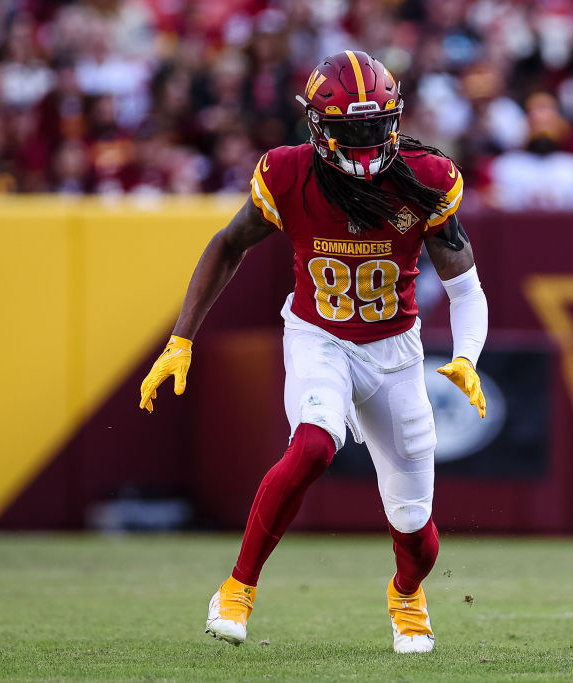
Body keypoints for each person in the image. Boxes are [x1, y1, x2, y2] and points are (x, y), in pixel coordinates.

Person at [137, 51, 488, 654]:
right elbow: (227, 246)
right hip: (318, 334)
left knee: (414, 525)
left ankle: (406, 593)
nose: (366, 140)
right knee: (314, 445)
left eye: (376, 126)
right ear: (318, 127)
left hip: (395, 351)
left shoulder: (425, 178)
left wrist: (467, 355)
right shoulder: (286, 173)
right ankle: (238, 588)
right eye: (351, 130)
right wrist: (181, 337)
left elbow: (465, 286)